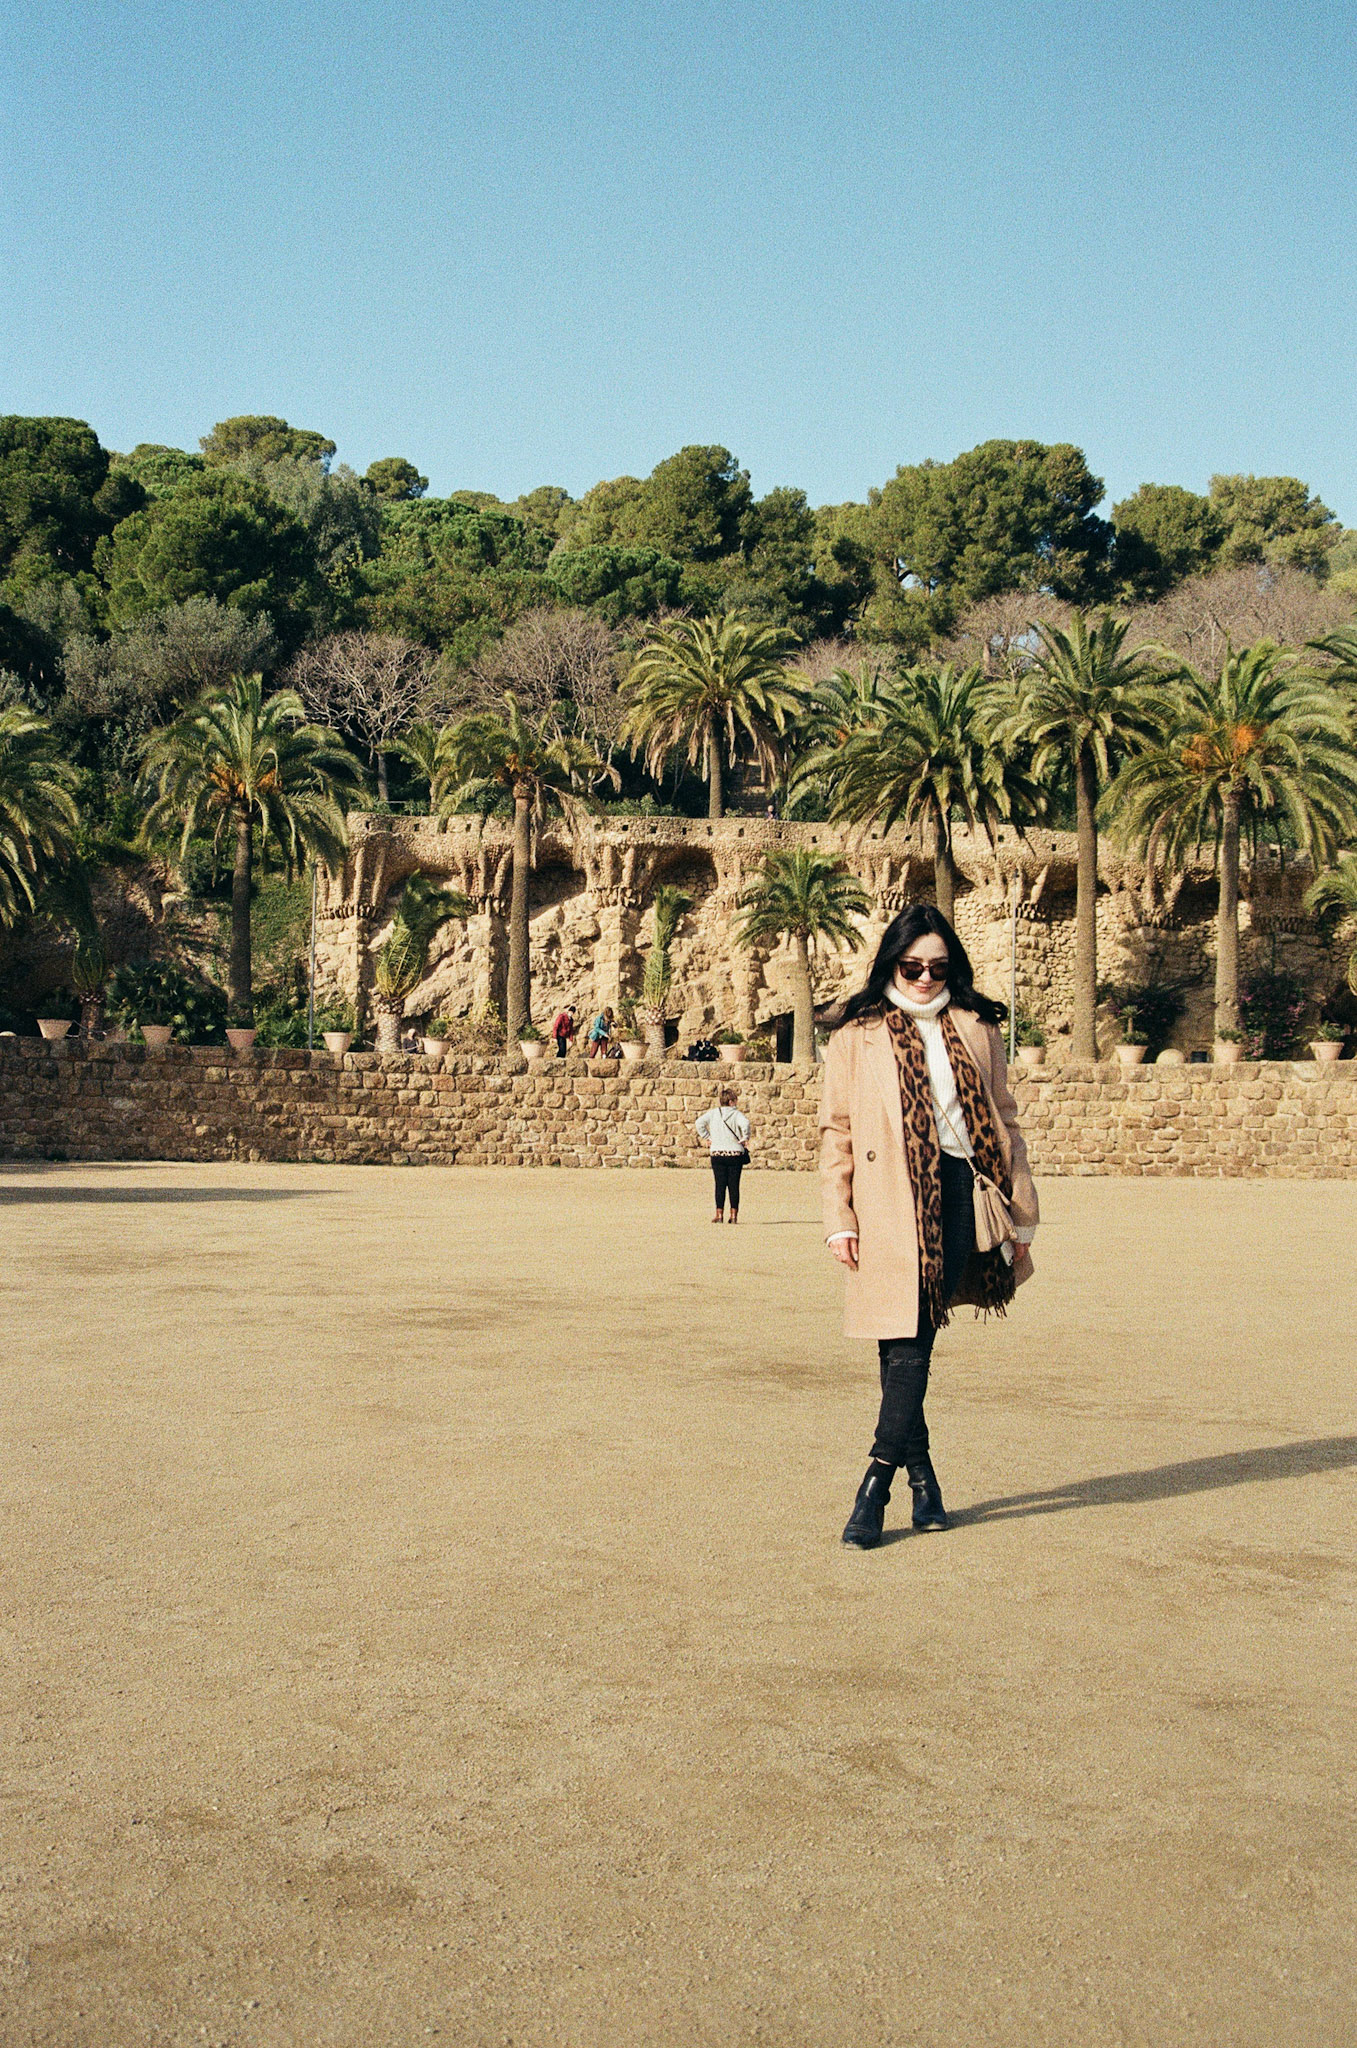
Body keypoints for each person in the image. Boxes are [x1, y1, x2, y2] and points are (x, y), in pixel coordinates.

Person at [819, 906, 1038, 1549]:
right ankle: (917, 1483)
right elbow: (837, 1131)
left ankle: (877, 1484)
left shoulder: (975, 1026)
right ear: (892, 963)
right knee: (900, 1337)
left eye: (938, 969)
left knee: (913, 1334)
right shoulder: (856, 1033)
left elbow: (1004, 1119)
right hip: (888, 1196)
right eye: (912, 966)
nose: (923, 979)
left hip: (961, 1190)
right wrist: (839, 1218)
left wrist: (1023, 1210)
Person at [696, 1086, 751, 1224]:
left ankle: (719, 1214)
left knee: (719, 1185)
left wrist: (707, 1137)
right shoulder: (736, 1114)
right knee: (734, 1186)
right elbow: (745, 1124)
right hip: (735, 1153)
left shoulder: (713, 1113)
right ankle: (733, 1215)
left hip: (717, 1153)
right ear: (731, 1101)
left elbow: (699, 1123)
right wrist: (745, 1137)